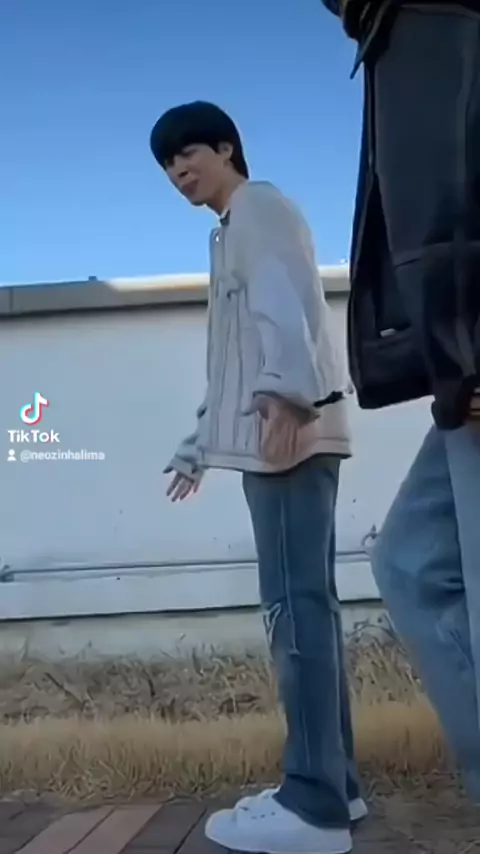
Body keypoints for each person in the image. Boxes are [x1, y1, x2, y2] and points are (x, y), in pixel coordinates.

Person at [150, 101, 366, 854]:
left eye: (188, 153)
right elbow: (232, 363)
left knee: (293, 615)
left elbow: (285, 305)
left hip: (287, 436)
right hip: (280, 428)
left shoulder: (257, 210)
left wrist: (284, 392)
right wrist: (197, 445)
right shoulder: (232, 228)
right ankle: (338, 786)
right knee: (310, 611)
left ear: (226, 148)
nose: (178, 171)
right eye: (167, 164)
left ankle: (313, 809)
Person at [321, 1, 480, 798]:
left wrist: (466, 348)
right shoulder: (396, 30)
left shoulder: (436, 17)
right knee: (411, 564)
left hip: (472, 350)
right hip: (462, 356)